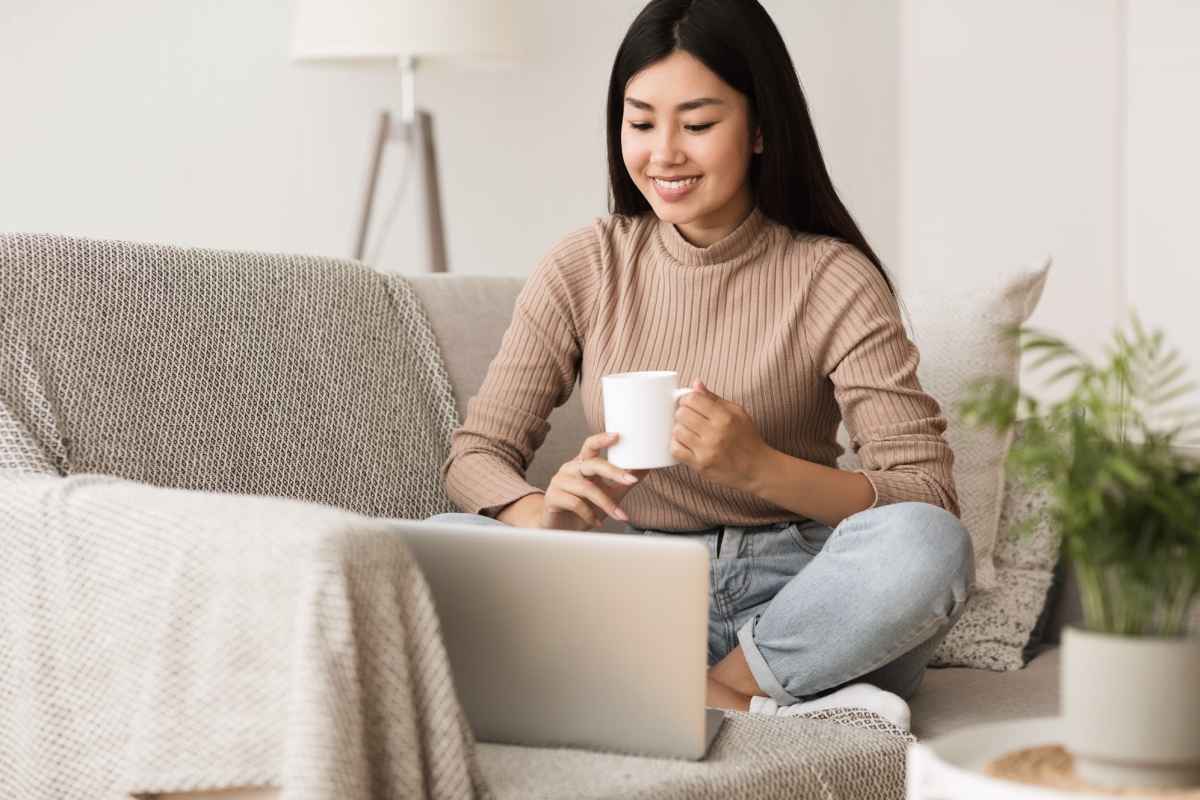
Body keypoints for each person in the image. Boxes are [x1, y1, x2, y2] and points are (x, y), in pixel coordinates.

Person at [430, 0, 973, 732]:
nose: (663, 153)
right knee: (434, 545)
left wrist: (759, 469)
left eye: (697, 123)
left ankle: (723, 688)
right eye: (641, 120)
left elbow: (926, 495)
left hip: (808, 599)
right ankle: (778, 703)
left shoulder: (832, 278)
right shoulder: (586, 264)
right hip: (640, 584)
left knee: (928, 547)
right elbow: (477, 456)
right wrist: (543, 516)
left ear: (758, 128)